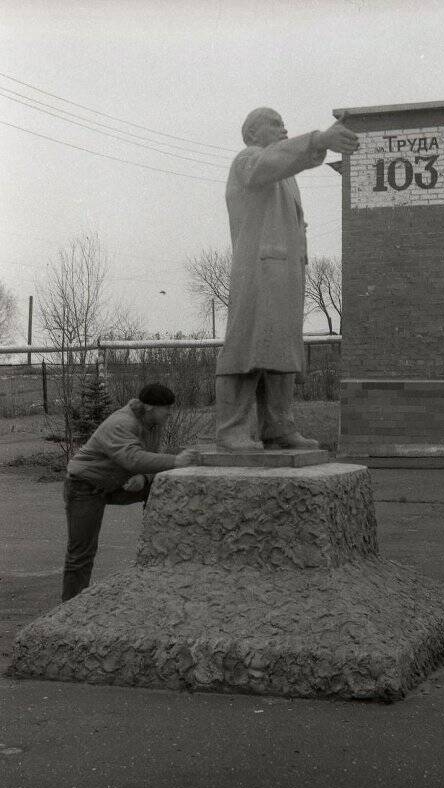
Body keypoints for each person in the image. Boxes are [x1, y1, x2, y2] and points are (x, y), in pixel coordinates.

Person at [215, 107, 360, 452]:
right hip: (258, 270)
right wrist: (318, 140)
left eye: (284, 123)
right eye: (275, 123)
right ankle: (230, 429)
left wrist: (317, 145)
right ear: (252, 133)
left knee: (281, 351)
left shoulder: (286, 176)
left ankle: (279, 427)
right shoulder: (247, 160)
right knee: (246, 346)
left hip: (285, 274)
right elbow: (272, 162)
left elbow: (287, 164)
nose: (283, 128)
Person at [61, 382, 194, 601]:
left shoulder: (151, 424)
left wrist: (143, 478)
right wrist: (176, 461)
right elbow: (132, 458)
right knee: (81, 553)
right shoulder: (121, 423)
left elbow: (148, 461)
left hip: (114, 484)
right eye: (167, 408)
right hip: (85, 486)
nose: (170, 413)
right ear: (151, 407)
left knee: (159, 485)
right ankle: (69, 607)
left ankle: (159, 549)